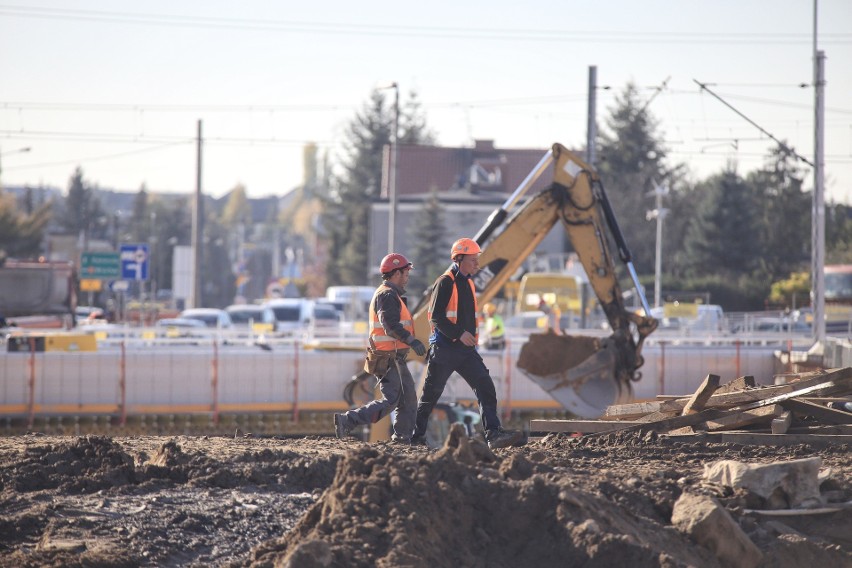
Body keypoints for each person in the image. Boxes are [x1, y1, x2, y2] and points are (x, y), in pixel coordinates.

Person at [411, 238, 525, 450]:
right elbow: (435, 317)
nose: (477, 264)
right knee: (430, 395)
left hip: (465, 351)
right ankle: (416, 437)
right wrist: (458, 334)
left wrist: (467, 338)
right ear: (460, 258)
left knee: (485, 386)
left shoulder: (469, 282)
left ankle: (493, 434)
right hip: (445, 349)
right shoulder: (445, 282)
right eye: (473, 260)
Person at [334, 253, 427, 443]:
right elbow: (390, 325)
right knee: (391, 400)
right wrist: (412, 340)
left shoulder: (391, 295)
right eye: (406, 272)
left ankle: (402, 438)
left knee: (408, 398)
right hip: (388, 357)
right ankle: (348, 420)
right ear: (396, 273)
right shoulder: (387, 295)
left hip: (394, 357)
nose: (408, 276)